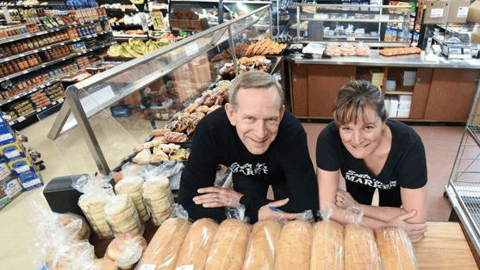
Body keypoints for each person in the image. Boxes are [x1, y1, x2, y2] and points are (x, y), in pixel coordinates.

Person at [177, 71, 319, 223]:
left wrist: (242, 202)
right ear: (231, 113)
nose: (260, 133)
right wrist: (255, 211)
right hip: (245, 174)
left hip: (282, 173)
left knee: (295, 222)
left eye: (271, 119)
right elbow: (187, 205)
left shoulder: (292, 132)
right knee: (250, 222)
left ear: (281, 113)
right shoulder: (210, 130)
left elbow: (306, 208)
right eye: (250, 118)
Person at [316, 80, 427, 243]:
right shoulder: (329, 139)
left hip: (392, 189)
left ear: (384, 122)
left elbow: (415, 221)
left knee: (391, 203)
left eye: (367, 127)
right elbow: (327, 210)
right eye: (346, 128)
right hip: (358, 190)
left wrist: (356, 208)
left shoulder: (409, 145)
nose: (357, 140)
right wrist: (389, 227)